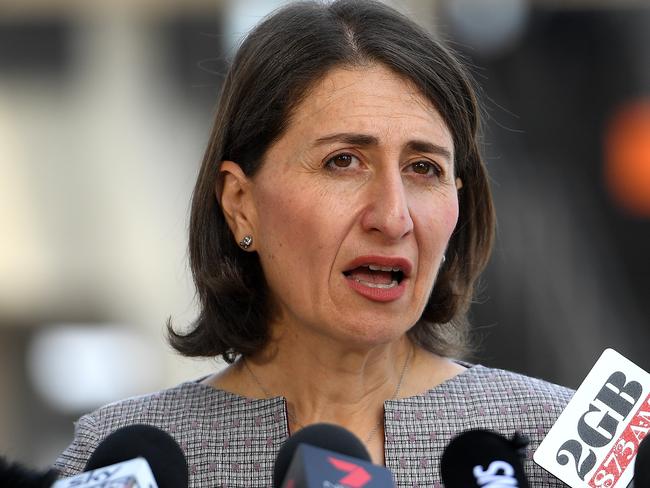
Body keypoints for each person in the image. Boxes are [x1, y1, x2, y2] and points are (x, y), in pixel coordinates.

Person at [54, 1, 572, 486]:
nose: (393, 218)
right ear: (240, 202)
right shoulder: (124, 460)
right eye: (343, 161)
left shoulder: (558, 446)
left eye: (423, 168)